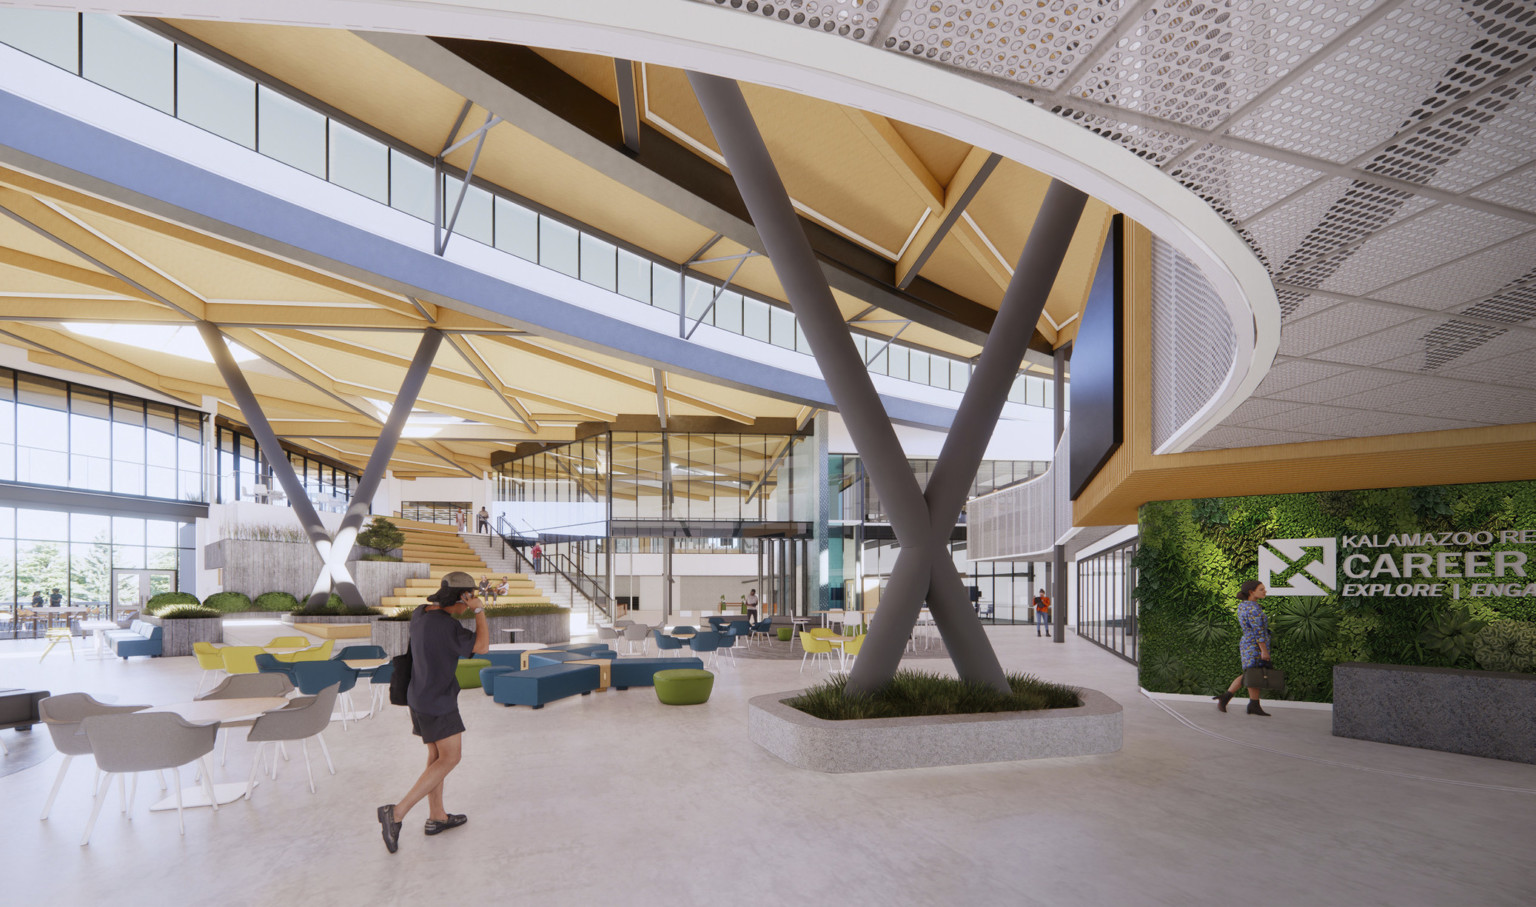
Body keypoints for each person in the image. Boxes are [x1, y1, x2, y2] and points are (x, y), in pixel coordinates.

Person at [378, 571, 489, 853]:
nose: (468, 606)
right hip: (438, 701)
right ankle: (397, 812)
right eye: (468, 599)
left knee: (436, 757)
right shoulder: (447, 627)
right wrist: (479, 612)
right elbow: (482, 646)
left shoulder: (420, 613)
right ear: (462, 597)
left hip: (418, 697)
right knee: (451, 757)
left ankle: (437, 817)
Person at [1216, 580, 1273, 717]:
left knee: (1253, 674)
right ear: (1251, 592)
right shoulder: (1253, 609)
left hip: (1248, 643)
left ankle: (1252, 704)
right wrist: (1264, 651)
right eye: (1261, 589)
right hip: (1254, 645)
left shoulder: (1244, 606)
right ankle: (1229, 698)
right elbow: (1258, 632)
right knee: (1251, 674)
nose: (1265, 591)